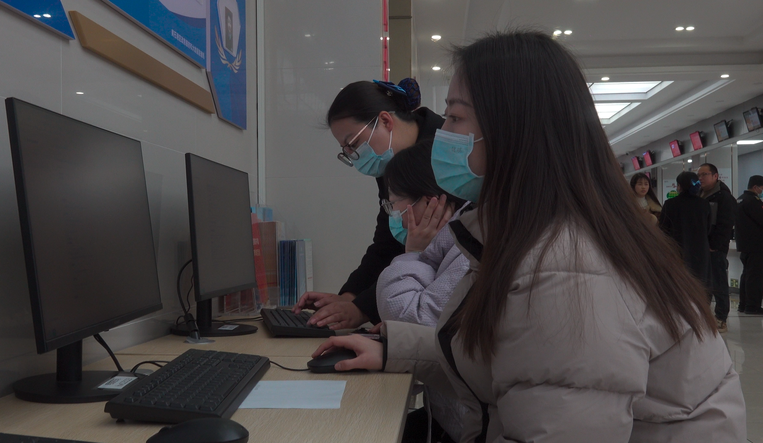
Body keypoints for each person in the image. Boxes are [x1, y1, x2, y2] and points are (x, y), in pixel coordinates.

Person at [312, 30, 746, 442]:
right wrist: (395, 350)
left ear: (514, 131)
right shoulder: (527, 229)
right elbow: (512, 362)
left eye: (456, 117)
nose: (442, 133)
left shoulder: (566, 269)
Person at [292, 79, 445, 330]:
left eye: (353, 144)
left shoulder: (444, 153)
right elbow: (386, 244)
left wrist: (362, 308)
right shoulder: (388, 162)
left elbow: (438, 255)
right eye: (346, 150)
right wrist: (348, 297)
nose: (354, 157)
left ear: (385, 121)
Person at [377, 141, 470, 443]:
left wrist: (413, 253)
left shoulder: (468, 250)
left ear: (430, 203)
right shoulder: (451, 245)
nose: (394, 215)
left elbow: (412, 319)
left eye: (394, 204)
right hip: (451, 416)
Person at [698, 163, 737, 332]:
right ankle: (704, 315)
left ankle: (721, 317)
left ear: (715, 176)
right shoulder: (699, 195)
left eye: (704, 174)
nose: (700, 178)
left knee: (718, 282)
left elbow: (725, 224)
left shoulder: (724, 197)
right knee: (703, 283)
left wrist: (715, 245)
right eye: (699, 175)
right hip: (701, 247)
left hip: (715, 249)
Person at [659, 171, 711, 285]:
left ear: (680, 186)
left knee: (678, 285)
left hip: (677, 251)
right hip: (700, 252)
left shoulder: (670, 204)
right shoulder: (704, 204)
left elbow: (663, 229)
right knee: (699, 284)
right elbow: (708, 228)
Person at [736, 175, 763, 314]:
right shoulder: (753, 201)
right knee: (755, 276)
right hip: (756, 245)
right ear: (755, 187)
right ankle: (753, 306)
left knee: (746, 274)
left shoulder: (740, 199)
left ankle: (743, 304)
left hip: (744, 244)